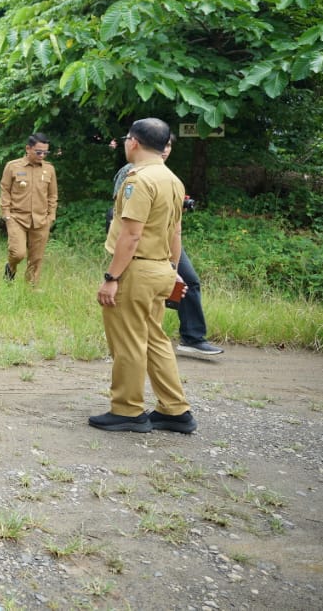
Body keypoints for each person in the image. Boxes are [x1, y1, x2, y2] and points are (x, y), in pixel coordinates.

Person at [91, 118, 197, 434]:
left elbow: (131, 234)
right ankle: (175, 410)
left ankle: (127, 410)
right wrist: (174, 271)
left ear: (133, 142)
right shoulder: (172, 180)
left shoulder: (138, 180)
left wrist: (112, 277)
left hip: (136, 270)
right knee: (154, 339)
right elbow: (175, 231)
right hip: (162, 268)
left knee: (128, 342)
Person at [110, 138, 223, 357]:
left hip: (165, 243)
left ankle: (191, 338)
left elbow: (176, 226)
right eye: (163, 145)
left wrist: (172, 263)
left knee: (188, 282)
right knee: (133, 307)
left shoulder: (170, 177)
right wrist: (112, 276)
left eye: (169, 146)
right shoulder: (132, 174)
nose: (165, 150)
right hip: (140, 250)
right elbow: (123, 215)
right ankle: (134, 345)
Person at [0, 133, 58, 284]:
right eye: (39, 152)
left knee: (36, 258)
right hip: (17, 218)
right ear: (28, 148)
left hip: (41, 219)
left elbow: (52, 195)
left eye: (46, 152)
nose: (42, 155)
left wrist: (51, 217)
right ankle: (11, 267)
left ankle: (31, 288)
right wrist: (6, 213)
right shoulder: (13, 166)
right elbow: (5, 189)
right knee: (18, 253)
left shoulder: (49, 169)